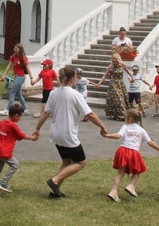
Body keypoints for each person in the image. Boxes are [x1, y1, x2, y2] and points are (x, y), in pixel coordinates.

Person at [33, 65, 108, 198]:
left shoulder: (53, 93)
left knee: (67, 162)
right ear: (72, 78)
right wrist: (102, 126)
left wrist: (37, 129)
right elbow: (90, 114)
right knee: (81, 162)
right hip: (68, 134)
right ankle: (54, 180)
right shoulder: (75, 94)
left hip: (56, 133)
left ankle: (54, 191)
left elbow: (45, 113)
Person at [0, 102, 38, 196]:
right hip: (4, 151)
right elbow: (21, 135)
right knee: (15, 165)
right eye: (20, 116)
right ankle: (4, 182)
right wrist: (33, 138)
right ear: (16, 116)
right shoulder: (13, 125)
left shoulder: (2, 122)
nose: (20, 118)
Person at [104, 108, 159, 202]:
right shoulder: (141, 130)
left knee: (120, 173)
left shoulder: (125, 127)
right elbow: (150, 142)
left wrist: (107, 135)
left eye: (125, 117)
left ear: (129, 118)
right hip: (133, 152)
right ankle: (131, 185)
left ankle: (113, 191)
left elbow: (119, 136)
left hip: (122, 151)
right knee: (138, 171)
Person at [94, 53, 130, 121]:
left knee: (123, 97)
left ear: (117, 58)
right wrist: (99, 83)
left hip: (121, 83)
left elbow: (127, 71)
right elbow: (105, 75)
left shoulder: (122, 64)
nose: (113, 60)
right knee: (118, 98)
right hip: (113, 84)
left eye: (114, 59)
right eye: (112, 59)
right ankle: (122, 114)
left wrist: (132, 76)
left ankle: (118, 115)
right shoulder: (110, 66)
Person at [0, 43, 32, 116]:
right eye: (14, 48)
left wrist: (31, 78)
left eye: (16, 49)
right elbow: (9, 66)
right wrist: (4, 75)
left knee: (12, 93)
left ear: (20, 50)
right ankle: (26, 110)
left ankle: (8, 110)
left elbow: (28, 68)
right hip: (16, 76)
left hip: (21, 77)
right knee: (19, 94)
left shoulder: (23, 58)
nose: (15, 50)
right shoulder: (13, 57)